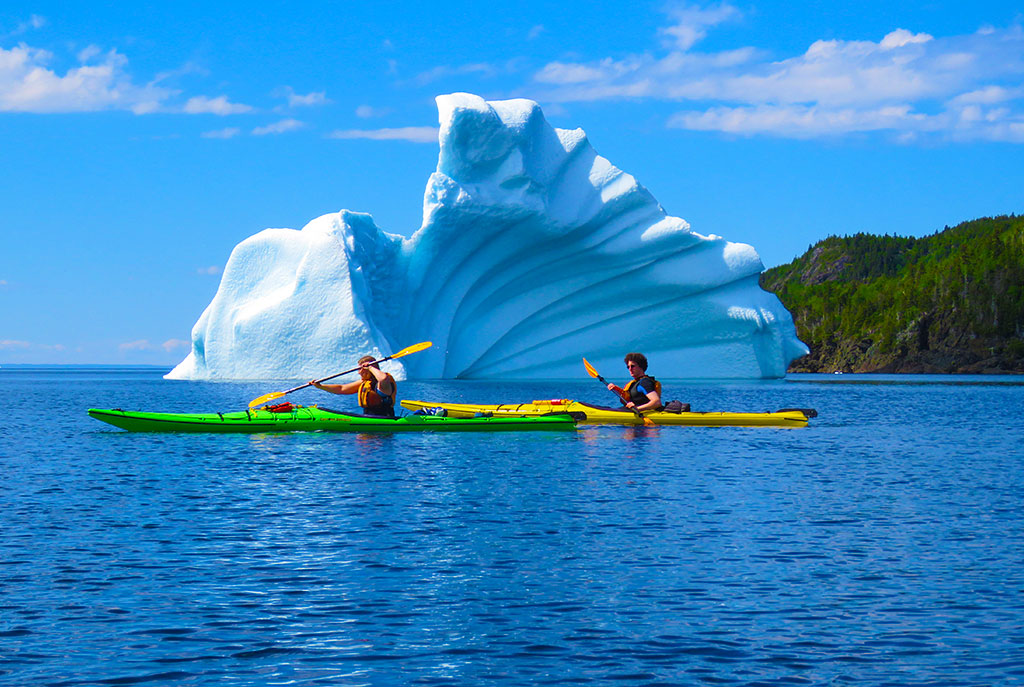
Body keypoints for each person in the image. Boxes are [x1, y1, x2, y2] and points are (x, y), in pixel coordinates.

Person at [311, 356, 397, 417]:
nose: (359, 372)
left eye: (360, 369)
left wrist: (370, 367)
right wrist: (320, 386)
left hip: (384, 418)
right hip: (369, 418)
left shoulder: (383, 383)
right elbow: (341, 389)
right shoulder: (365, 382)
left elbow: (383, 379)